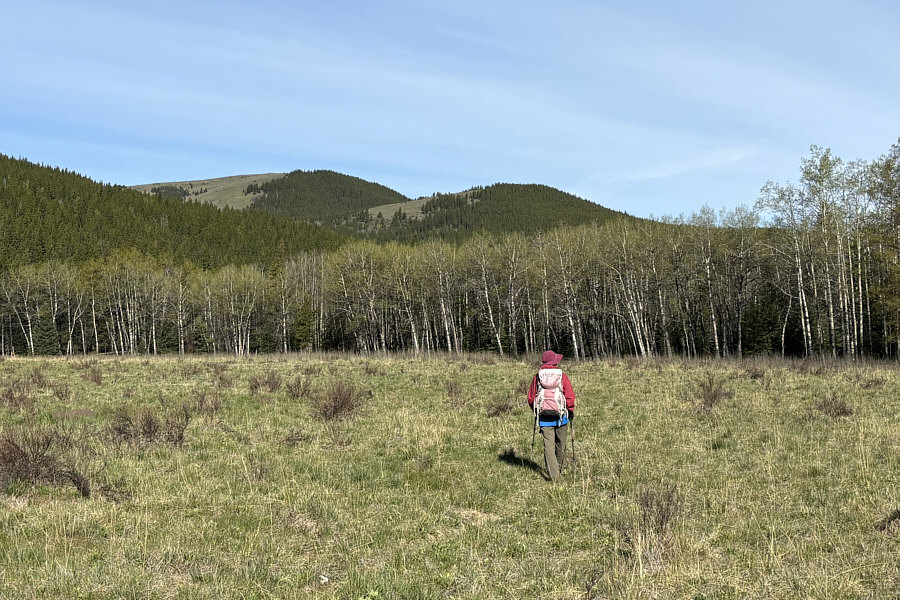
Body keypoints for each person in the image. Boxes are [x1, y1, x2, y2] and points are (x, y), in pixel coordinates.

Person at [526, 350, 576, 482]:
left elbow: (531, 398)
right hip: (561, 416)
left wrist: (537, 411)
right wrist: (570, 410)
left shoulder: (538, 377)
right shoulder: (562, 376)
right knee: (561, 442)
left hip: (543, 417)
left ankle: (554, 476)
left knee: (548, 445)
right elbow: (569, 396)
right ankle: (559, 467)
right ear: (555, 362)